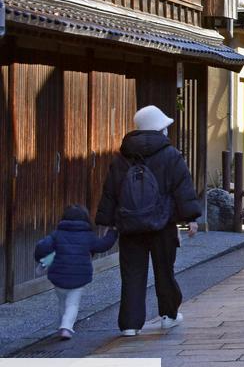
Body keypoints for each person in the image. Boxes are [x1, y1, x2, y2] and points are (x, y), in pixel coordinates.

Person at [96, 105, 201, 337]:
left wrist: (106, 220)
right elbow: (182, 188)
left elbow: (111, 191)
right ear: (159, 128)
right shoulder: (170, 155)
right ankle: (168, 316)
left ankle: (130, 325)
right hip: (162, 223)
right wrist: (191, 217)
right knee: (164, 271)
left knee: (132, 274)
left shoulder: (122, 156)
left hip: (129, 225)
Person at [35, 205, 118, 340]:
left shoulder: (57, 234)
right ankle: (66, 327)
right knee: (72, 303)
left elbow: (42, 246)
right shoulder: (88, 236)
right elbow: (102, 245)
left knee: (62, 302)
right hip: (79, 277)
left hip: (58, 276)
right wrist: (112, 233)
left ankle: (62, 324)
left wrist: (40, 259)